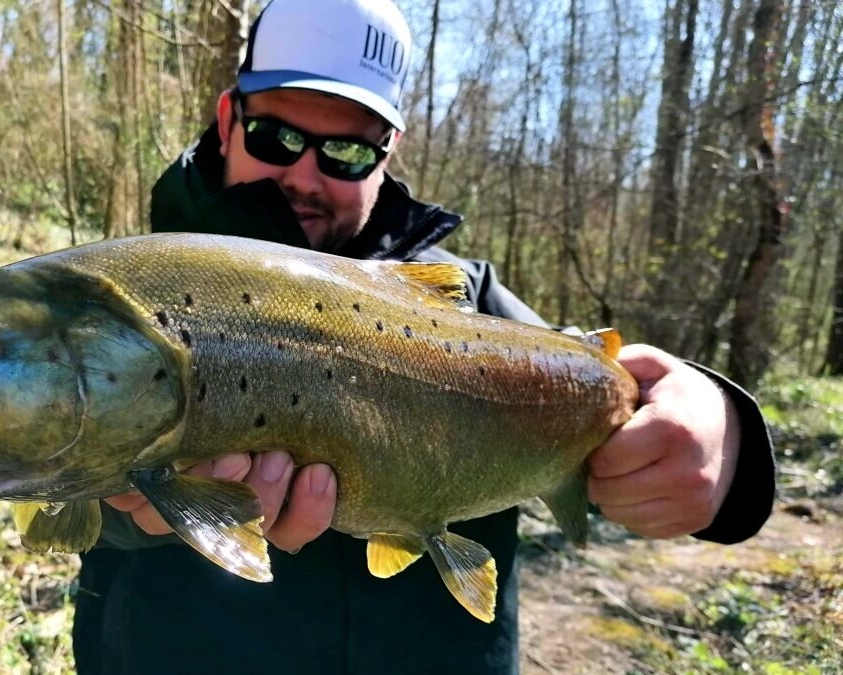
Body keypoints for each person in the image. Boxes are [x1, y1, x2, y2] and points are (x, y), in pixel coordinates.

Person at [72, 0, 776, 672]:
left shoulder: (471, 302)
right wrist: (127, 509)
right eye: (277, 137)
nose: (303, 174)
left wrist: (721, 426)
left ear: (388, 152)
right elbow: (40, 476)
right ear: (229, 120)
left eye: (346, 151)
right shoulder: (114, 295)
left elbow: (599, 401)